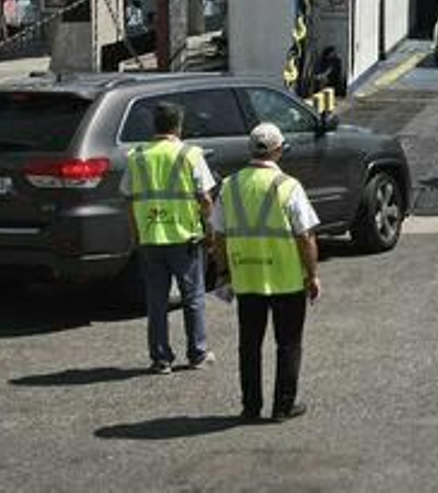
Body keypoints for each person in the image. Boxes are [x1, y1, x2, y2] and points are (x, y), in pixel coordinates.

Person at [213, 123, 322, 422]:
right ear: (278, 150)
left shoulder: (230, 186)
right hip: (287, 280)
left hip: (246, 279)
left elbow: (218, 235)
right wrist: (312, 274)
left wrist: (223, 272)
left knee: (249, 345)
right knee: (288, 344)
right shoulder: (288, 186)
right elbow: (305, 235)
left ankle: (250, 406)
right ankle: (283, 406)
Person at [122, 102, 217, 374]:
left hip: (151, 237)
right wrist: (209, 230)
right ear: (179, 126)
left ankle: (161, 359)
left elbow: (129, 199)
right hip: (184, 237)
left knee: (156, 302)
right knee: (193, 297)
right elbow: (205, 199)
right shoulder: (190, 154)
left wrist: (136, 234)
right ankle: (197, 354)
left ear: (154, 125)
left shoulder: (137, 156)